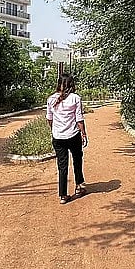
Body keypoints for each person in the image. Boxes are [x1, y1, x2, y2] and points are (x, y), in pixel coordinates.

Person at [46, 73, 88, 204]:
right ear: (71, 84)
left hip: (58, 137)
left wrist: (55, 130)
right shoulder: (75, 98)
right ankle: (79, 186)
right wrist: (84, 133)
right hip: (73, 135)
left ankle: (63, 195)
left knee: (62, 165)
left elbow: (49, 119)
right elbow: (79, 119)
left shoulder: (51, 99)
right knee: (77, 160)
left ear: (59, 84)